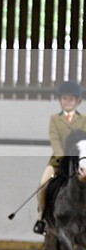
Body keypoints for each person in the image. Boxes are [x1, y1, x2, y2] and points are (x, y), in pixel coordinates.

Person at [34, 80, 86, 234]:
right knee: (43, 185)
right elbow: (55, 139)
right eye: (64, 98)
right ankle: (41, 219)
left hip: (81, 160)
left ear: (78, 101)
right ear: (60, 100)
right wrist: (63, 155)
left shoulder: (84, 119)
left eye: (71, 99)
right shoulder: (54, 120)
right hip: (59, 160)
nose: (67, 102)